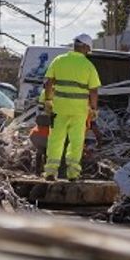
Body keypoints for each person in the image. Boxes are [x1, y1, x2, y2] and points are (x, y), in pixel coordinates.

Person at [41, 33, 100, 181]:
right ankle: (73, 174)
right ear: (86, 47)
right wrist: (93, 109)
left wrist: (48, 100)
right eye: (88, 50)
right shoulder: (88, 66)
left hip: (59, 108)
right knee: (76, 141)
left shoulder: (59, 60)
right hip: (79, 111)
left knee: (56, 139)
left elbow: (48, 83)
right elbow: (93, 90)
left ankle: (50, 172)